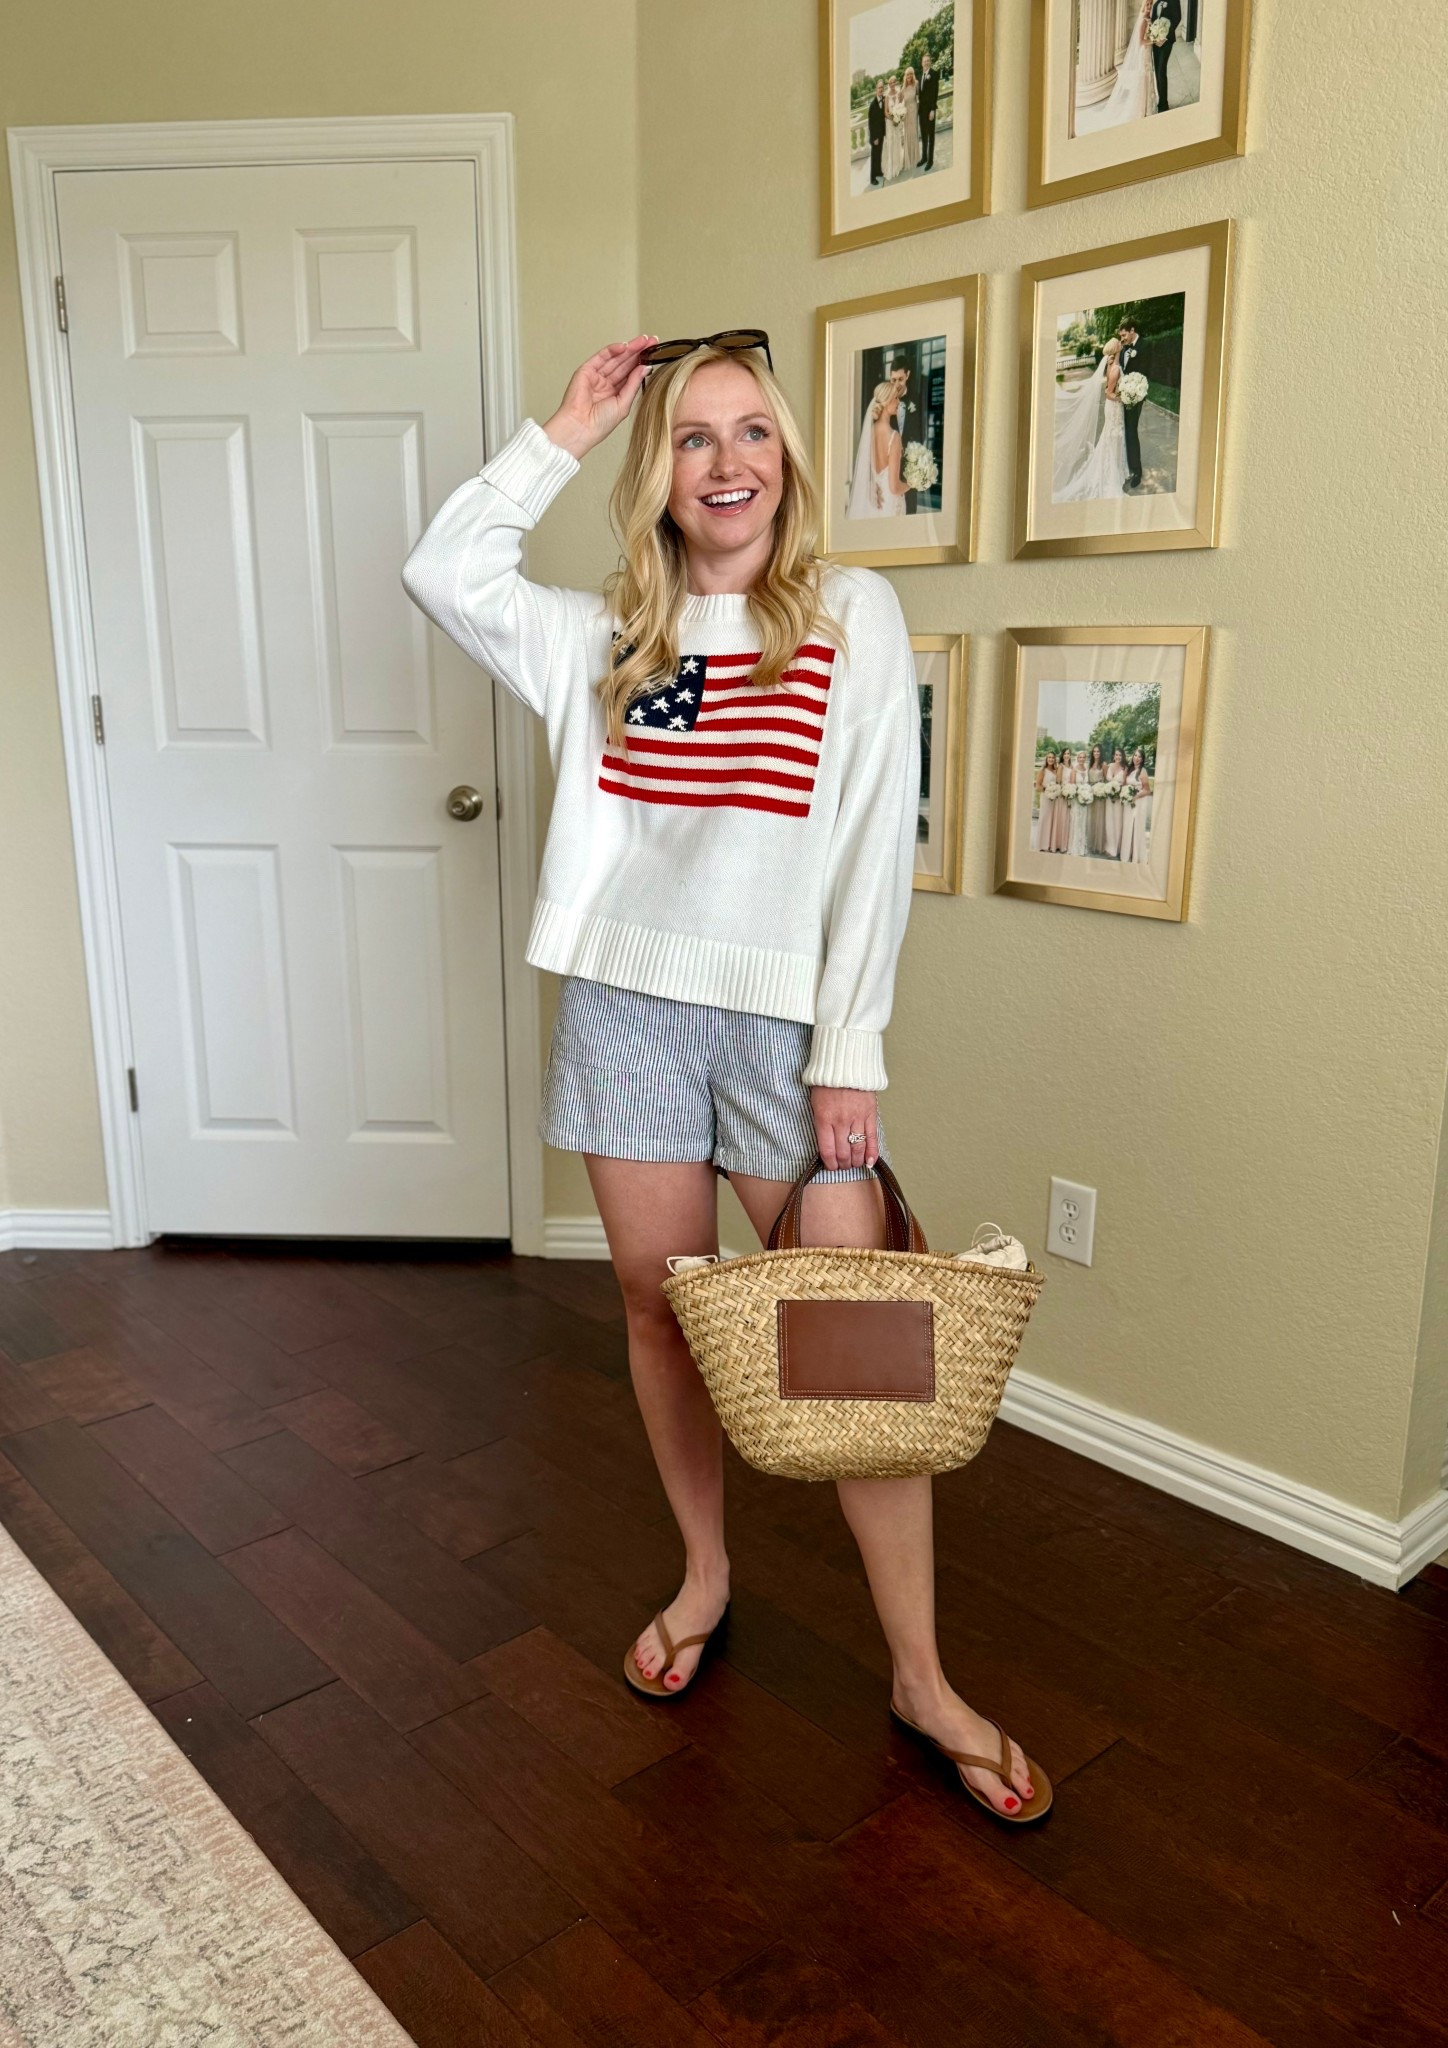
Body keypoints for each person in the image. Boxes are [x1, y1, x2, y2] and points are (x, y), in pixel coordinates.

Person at [400, 333, 1043, 1821]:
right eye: (693, 440)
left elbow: (878, 840)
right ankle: (704, 1573)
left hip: (784, 1030)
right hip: (625, 1008)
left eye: (754, 433)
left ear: (791, 461)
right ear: (661, 479)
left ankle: (919, 1674)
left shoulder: (849, 616)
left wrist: (849, 1055)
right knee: (657, 1305)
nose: (730, 462)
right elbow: (443, 569)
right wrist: (564, 425)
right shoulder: (599, 635)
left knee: (860, 1347)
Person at [1052, 336, 1129, 504]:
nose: (1120, 343)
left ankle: (1112, 470)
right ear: (1116, 349)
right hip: (1114, 407)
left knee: (1110, 439)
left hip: (1112, 408)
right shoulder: (1115, 368)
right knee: (1113, 438)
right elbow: (1108, 393)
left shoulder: (1110, 364)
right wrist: (1124, 398)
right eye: (1119, 342)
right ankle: (1110, 475)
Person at [848, 380, 907, 518]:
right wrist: (910, 484)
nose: (898, 402)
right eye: (896, 398)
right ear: (886, 401)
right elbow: (894, 487)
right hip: (890, 505)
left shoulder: (870, 433)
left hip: (874, 501)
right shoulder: (894, 436)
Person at [1118, 320, 1150, 490]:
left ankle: (1137, 471)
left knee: (1131, 432)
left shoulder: (1145, 345)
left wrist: (1137, 392)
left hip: (1135, 395)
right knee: (1123, 431)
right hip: (1122, 395)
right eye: (1120, 336)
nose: (1122, 339)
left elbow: (1146, 372)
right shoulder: (1123, 348)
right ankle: (1127, 467)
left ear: (1132, 330)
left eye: (1124, 335)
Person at [1148, 0, 1181, 111]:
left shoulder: (1174, 1)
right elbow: (1153, 20)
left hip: (1167, 40)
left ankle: (1163, 104)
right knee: (1157, 71)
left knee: (1162, 69)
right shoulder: (1157, 3)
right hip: (1156, 41)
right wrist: (1154, 36)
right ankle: (1160, 101)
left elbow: (1177, 18)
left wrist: (1165, 35)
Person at [1103, 746, 1127, 859]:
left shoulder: (1125, 768)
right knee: (1109, 822)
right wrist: (1111, 789)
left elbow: (1125, 784)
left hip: (1118, 799)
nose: (1118, 757)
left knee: (1117, 822)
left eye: (1120, 755)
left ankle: (1116, 848)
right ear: (1114, 756)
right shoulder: (1110, 766)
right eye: (1116, 755)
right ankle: (1109, 847)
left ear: (1122, 756)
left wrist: (1119, 791)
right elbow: (1107, 780)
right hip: (1109, 798)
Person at [918, 50, 940, 170]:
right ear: (922, 63)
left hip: (930, 112)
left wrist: (933, 110)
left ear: (930, 62)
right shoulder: (920, 76)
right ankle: (924, 157)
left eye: (927, 61)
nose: (926, 63)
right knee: (924, 136)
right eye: (924, 61)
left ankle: (930, 161)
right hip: (921, 112)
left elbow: (934, 93)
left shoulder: (934, 74)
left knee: (931, 136)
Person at [882, 75, 905, 182]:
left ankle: (898, 166)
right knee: (891, 144)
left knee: (897, 143)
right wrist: (893, 119)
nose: (892, 84)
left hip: (897, 124)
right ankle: (891, 168)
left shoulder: (899, 93)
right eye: (890, 83)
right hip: (890, 124)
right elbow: (886, 112)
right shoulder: (886, 96)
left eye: (893, 82)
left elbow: (901, 107)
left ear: (896, 83)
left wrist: (899, 117)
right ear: (888, 84)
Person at [1087, 743, 1107, 855]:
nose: (1096, 753)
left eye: (1098, 751)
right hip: (1091, 794)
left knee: (1099, 819)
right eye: (1094, 751)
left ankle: (1099, 846)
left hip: (1100, 795)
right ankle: (1091, 844)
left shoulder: (1103, 764)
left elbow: (1106, 780)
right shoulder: (1090, 764)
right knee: (1092, 819)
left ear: (1101, 753)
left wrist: (1101, 789)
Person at [901, 66, 921, 174]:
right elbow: (900, 101)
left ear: (913, 75)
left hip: (914, 112)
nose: (909, 76)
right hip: (906, 113)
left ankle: (915, 157)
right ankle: (909, 158)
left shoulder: (916, 84)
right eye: (907, 74)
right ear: (905, 76)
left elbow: (919, 97)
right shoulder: (903, 88)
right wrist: (900, 112)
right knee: (908, 135)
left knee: (914, 133)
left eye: (910, 74)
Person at [867, 77, 887, 186]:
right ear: (876, 90)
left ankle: (878, 171)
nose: (880, 89)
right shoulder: (872, 105)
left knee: (879, 155)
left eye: (882, 88)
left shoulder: (884, 99)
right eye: (879, 88)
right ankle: (872, 177)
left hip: (881, 134)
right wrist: (874, 138)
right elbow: (870, 124)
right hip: (875, 136)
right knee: (874, 157)